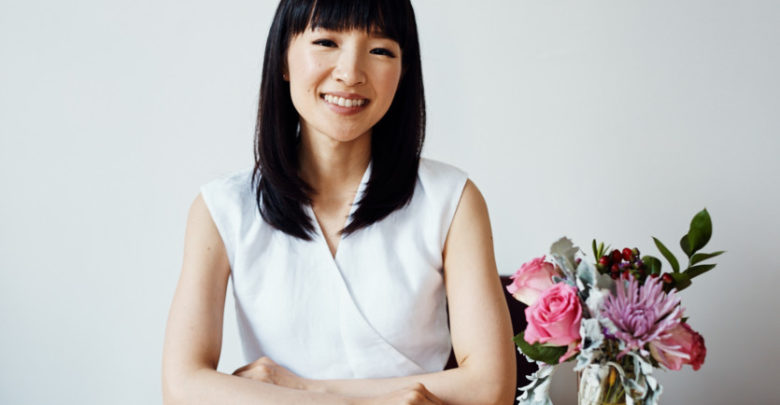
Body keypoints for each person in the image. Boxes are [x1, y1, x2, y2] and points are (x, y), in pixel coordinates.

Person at [162, 1, 516, 404]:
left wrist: (304, 389)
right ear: (283, 58)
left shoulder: (451, 199)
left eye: (380, 50)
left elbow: (491, 387)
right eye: (327, 42)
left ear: (403, 71)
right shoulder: (222, 208)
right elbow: (181, 387)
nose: (350, 73)